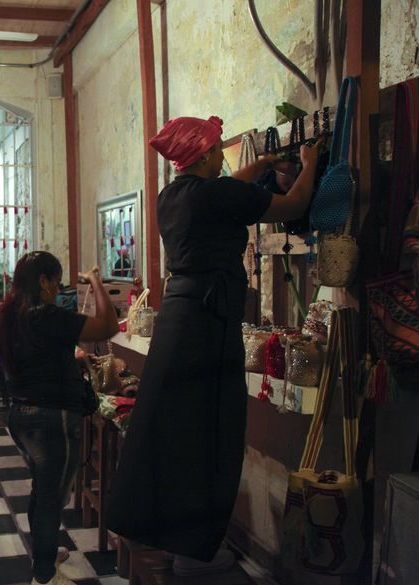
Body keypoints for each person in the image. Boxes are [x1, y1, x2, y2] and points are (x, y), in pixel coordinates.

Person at [105, 116, 322, 576]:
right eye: (217, 150)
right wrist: (310, 160)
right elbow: (296, 201)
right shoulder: (219, 195)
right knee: (209, 430)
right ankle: (193, 545)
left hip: (180, 317)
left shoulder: (173, 196)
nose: (221, 157)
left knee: (169, 426)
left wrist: (259, 163)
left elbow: (224, 190)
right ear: (204, 156)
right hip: (208, 322)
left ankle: (161, 533)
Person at [0, 251, 119, 585]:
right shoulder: (47, 315)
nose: (58, 288)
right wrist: (95, 281)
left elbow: (39, 356)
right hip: (52, 417)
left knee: (42, 489)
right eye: (57, 281)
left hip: (21, 416)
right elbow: (108, 326)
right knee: (52, 498)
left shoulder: (11, 314)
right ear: (43, 281)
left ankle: (44, 555)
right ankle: (45, 575)